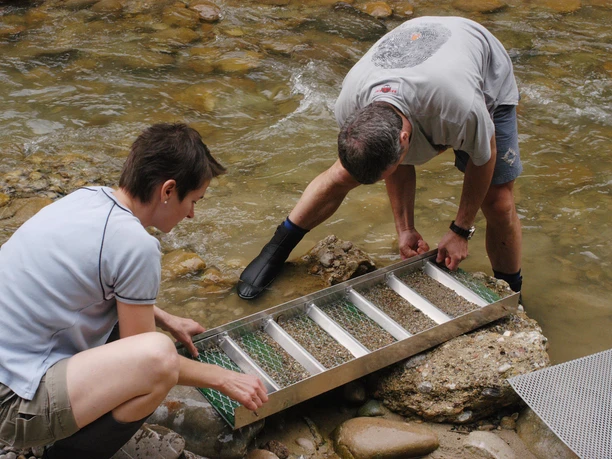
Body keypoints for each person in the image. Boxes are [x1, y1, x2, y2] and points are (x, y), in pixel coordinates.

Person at [0, 123, 268, 459]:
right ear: (168, 190)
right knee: (159, 359)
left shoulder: (88, 198)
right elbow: (148, 361)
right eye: (193, 200)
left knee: (139, 332)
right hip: (11, 405)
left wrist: (165, 317)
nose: (192, 214)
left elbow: (78, 284)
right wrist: (220, 378)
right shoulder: (137, 245)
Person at [237, 16, 523, 300]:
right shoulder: (350, 105)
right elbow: (395, 165)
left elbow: (485, 156)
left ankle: (511, 289)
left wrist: (461, 230)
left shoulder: (460, 109)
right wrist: (405, 229)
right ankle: (276, 248)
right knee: (342, 174)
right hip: (415, 53)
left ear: (404, 140)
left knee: (498, 202)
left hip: (480, 65)